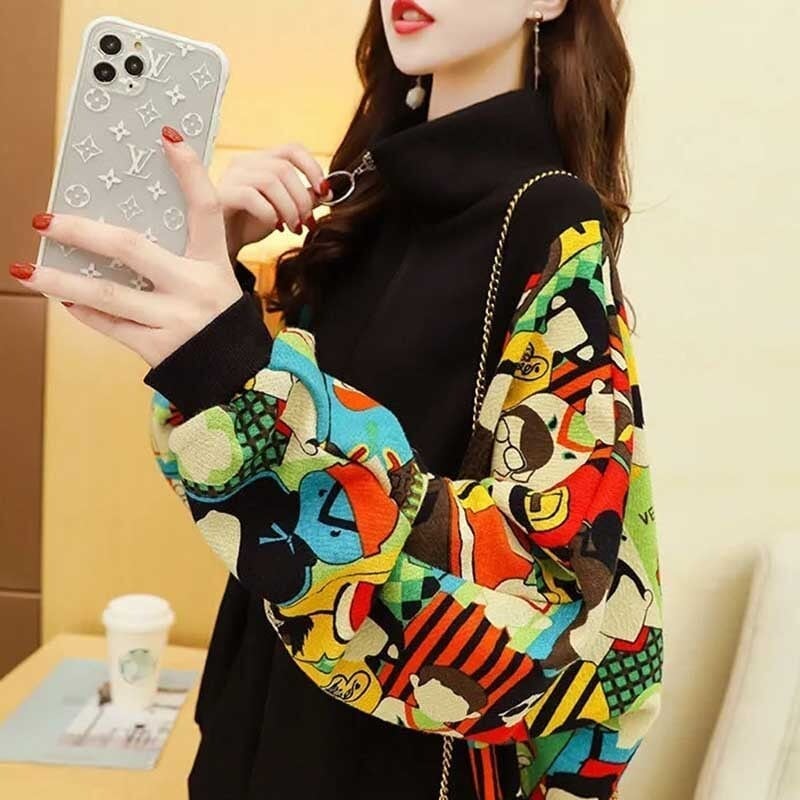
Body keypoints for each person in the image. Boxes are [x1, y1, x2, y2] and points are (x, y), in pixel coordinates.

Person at [11, 1, 664, 797]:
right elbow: (244, 501)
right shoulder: (363, 205)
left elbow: (563, 594)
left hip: (393, 763)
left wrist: (232, 364)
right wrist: (217, 280)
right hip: (254, 728)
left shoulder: (549, 220)